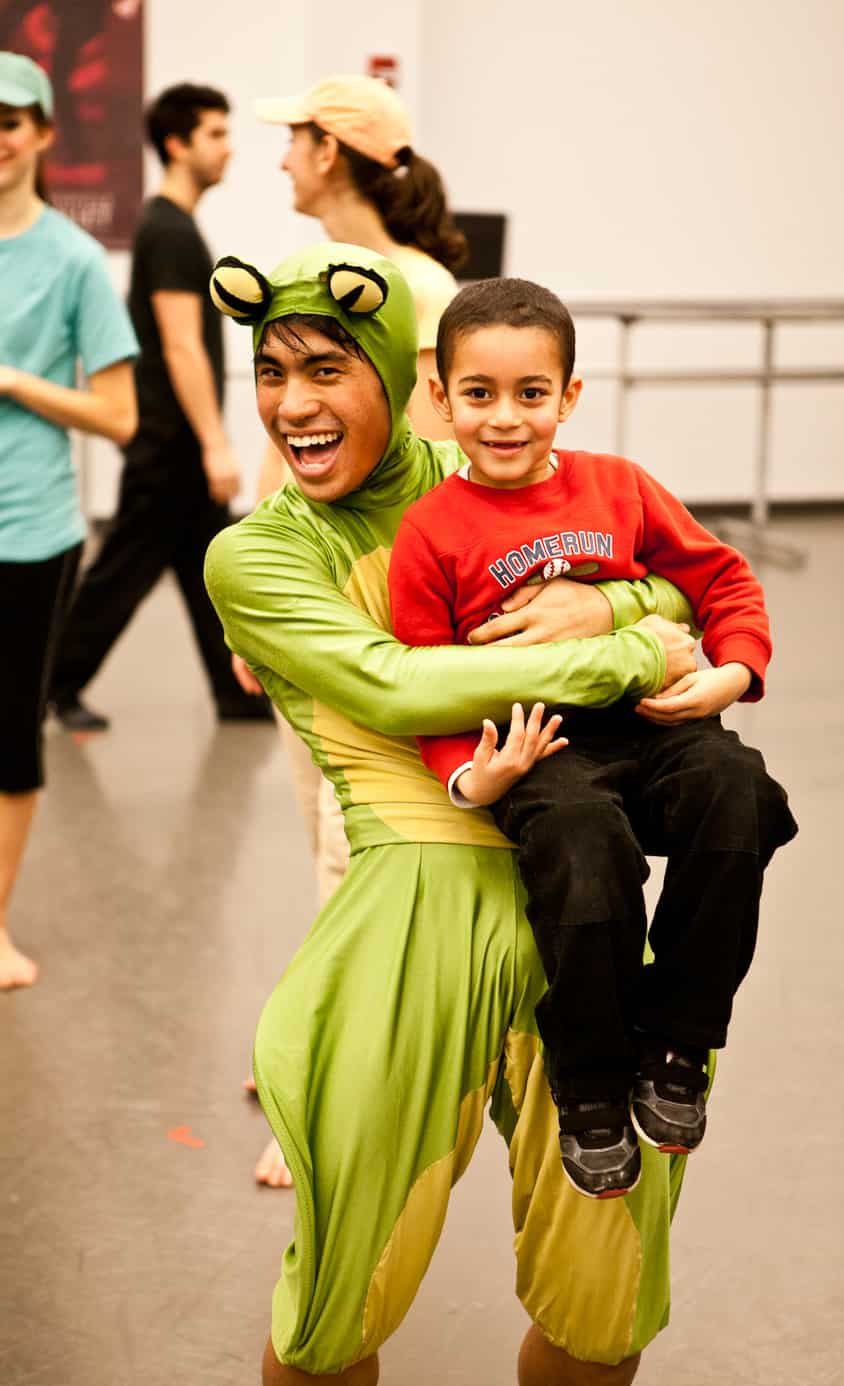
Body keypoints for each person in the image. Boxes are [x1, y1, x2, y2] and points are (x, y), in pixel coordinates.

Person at [205, 240, 703, 1384]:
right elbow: (396, 686)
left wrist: (607, 602)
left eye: (326, 368)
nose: (292, 404)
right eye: (271, 373)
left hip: (578, 894)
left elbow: (686, 574)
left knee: (607, 1298)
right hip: (406, 930)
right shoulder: (258, 557)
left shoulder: (488, 469)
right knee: (337, 1302)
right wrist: (626, 648)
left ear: (397, 371)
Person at [387, 276, 798, 1198]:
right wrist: (471, 778)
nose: (505, 417)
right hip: (539, 746)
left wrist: (732, 672)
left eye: (530, 393)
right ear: (441, 399)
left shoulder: (620, 487)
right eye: (480, 393)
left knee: (740, 794)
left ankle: (678, 1040)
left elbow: (724, 581)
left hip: (657, 722)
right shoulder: (430, 534)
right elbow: (422, 683)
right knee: (583, 850)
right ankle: (592, 1083)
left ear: (568, 397)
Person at [237, 73, 469, 1185]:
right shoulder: (310, 274)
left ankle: (326, 1093)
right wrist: (256, 604)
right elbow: (290, 450)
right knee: (323, 836)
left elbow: (433, 476)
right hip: (304, 600)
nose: (282, 156)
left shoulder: (416, 289)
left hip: (371, 618)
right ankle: (321, 1027)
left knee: (355, 846)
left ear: (331, 150)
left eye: (294, 139)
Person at [48, 81, 266, 732]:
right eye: (215, 134)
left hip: (175, 440)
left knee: (207, 570)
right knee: (122, 574)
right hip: (168, 443)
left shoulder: (173, 224)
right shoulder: (168, 229)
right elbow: (180, 345)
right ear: (177, 144)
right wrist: (216, 443)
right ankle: (51, 684)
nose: (228, 148)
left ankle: (235, 692)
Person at [0, 51, 137, 989]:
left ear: (43, 133)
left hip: (27, 532)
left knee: (9, 739)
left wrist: (13, 380)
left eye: (10, 123)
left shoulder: (74, 262)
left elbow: (119, 416)